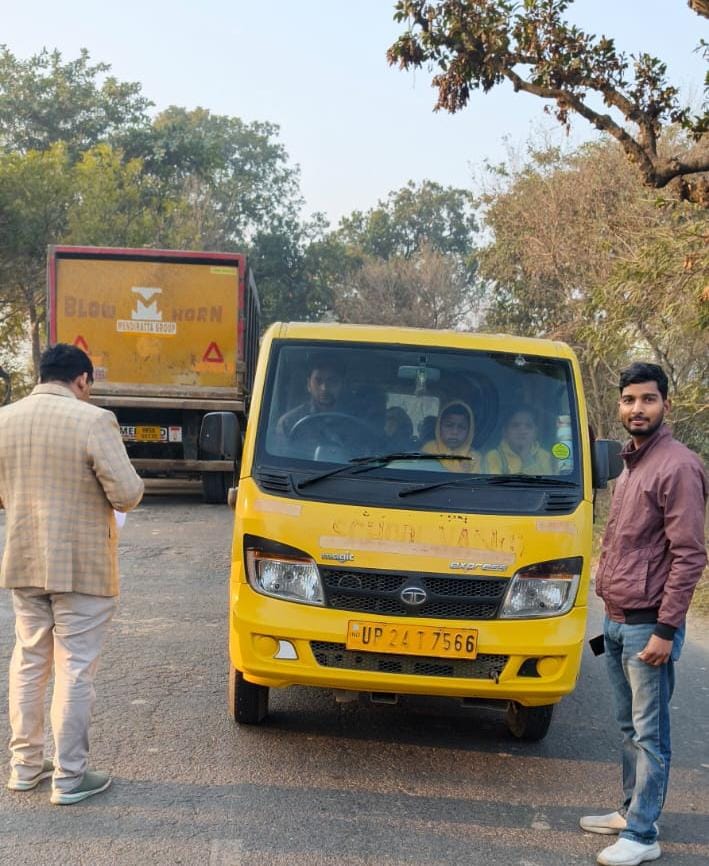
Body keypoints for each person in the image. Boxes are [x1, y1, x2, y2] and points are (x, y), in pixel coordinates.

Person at [0, 343, 144, 805]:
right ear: (82, 379)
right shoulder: (93, 420)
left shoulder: (5, 419)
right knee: (75, 669)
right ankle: (69, 778)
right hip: (82, 569)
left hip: (24, 562)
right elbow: (127, 494)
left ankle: (24, 767)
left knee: (29, 662)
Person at [580, 362, 707, 866]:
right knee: (628, 727)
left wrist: (666, 629)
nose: (638, 408)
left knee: (650, 734)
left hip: (648, 625)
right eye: (630, 399)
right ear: (620, 405)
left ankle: (642, 833)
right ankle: (630, 810)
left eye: (648, 399)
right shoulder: (632, 464)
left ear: (665, 405)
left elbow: (689, 555)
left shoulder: (678, 466)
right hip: (616, 618)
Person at [276, 354, 344, 437]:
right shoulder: (288, 422)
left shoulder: (355, 419)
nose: (324, 388)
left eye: (331, 381)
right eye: (318, 381)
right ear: (309, 385)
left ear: (341, 384)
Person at [484, 407, 554, 475]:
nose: (522, 431)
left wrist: (527, 457)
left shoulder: (544, 456)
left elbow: (544, 482)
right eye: (515, 425)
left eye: (528, 426)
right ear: (504, 432)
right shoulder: (494, 456)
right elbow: (495, 482)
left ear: (535, 433)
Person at [422, 400, 481, 472]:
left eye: (461, 427)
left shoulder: (474, 457)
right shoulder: (429, 450)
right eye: (449, 425)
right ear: (439, 427)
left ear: (469, 431)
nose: (455, 432)